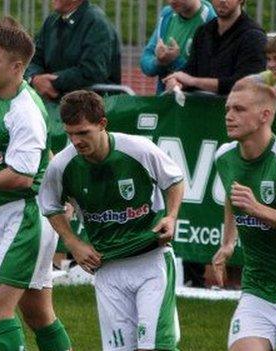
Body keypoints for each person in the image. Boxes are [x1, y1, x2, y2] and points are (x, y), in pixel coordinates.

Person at [0, 26, 72, 351]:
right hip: (11, 212)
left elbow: (21, 177)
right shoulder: (0, 88)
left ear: (17, 67)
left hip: (26, 215)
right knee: (36, 313)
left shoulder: (25, 113)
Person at [40, 90, 185, 351]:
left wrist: (171, 217)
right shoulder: (62, 165)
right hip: (107, 267)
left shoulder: (139, 149)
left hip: (151, 260)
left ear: (102, 125)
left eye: (83, 132)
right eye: (71, 133)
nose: (76, 141)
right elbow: (49, 205)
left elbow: (174, 180)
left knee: (155, 346)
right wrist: (73, 242)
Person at [212, 80, 276, 351]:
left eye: (239, 109)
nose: (229, 115)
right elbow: (233, 196)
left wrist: (258, 209)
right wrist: (228, 243)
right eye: (228, 108)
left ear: (265, 115)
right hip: (259, 291)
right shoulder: (224, 156)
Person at [26, 0, 121, 154]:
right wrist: (35, 78)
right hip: (57, 110)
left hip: (89, 111)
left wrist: (53, 82)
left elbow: (93, 69)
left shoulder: (97, 23)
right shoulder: (52, 21)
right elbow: (32, 58)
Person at [163, 0, 266, 95]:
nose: (222, 1)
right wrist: (177, 80)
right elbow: (190, 70)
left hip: (235, 111)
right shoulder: (203, 32)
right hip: (200, 110)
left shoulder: (253, 36)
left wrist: (193, 81)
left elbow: (247, 84)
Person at [140, 0, 216, 93]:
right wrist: (159, 62)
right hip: (165, 103)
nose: (172, 1)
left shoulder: (211, 20)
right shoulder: (167, 14)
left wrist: (175, 61)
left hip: (195, 103)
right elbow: (145, 61)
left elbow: (208, 76)